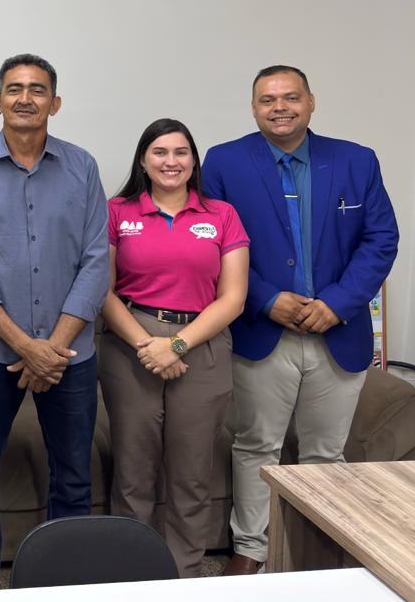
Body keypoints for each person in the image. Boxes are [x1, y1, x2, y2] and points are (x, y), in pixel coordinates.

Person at [203, 65, 398, 576]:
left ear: (311, 102)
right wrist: (265, 300)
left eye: (290, 97)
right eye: (267, 99)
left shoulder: (357, 160)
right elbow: (213, 243)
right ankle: (251, 549)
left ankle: (315, 550)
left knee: (325, 453)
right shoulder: (224, 162)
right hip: (262, 331)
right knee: (255, 446)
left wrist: (337, 302)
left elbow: (381, 240)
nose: (279, 107)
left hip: (338, 330)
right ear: (253, 108)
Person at [0, 53, 109, 593]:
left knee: (74, 474)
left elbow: (96, 259)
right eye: (14, 89)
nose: (25, 98)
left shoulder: (82, 167)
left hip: (70, 354)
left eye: (37, 90)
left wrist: (53, 346)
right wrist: (22, 343)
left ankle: (65, 580)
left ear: (54, 103)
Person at [98, 119, 249, 576]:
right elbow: (101, 292)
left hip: (201, 341)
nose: (171, 161)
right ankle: (130, 568)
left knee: (192, 471)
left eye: (181, 152)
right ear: (143, 160)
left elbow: (234, 297)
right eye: (160, 152)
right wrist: (149, 346)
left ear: (193, 161)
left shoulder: (221, 214)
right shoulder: (117, 211)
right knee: (133, 467)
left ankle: (182, 572)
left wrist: (176, 345)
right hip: (131, 342)